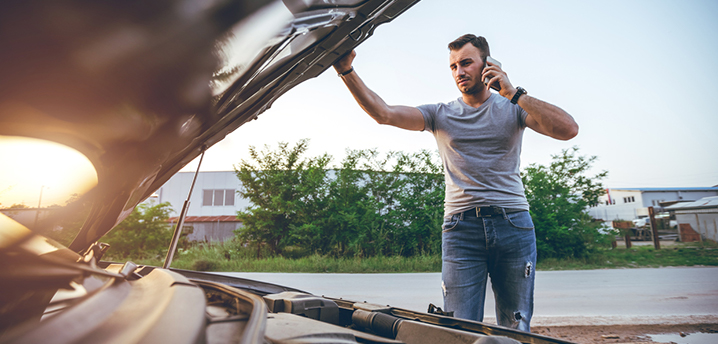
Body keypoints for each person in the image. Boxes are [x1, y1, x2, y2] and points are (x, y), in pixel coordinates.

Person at [332, 34, 578, 331]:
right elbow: (383, 113)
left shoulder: (513, 107)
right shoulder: (440, 114)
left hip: (513, 224)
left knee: (516, 328)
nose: (459, 72)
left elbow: (568, 129)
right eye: (453, 66)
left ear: (487, 65)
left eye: (466, 63)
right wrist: (346, 71)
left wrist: (513, 92)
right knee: (458, 329)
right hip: (461, 230)